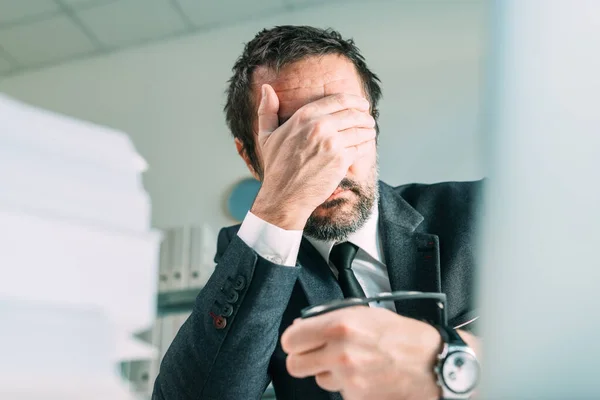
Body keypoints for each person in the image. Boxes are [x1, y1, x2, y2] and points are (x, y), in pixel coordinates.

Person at [153, 26, 482, 400]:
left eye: (343, 122)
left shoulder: (483, 212)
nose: (329, 160)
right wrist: (279, 205)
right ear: (249, 157)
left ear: (373, 125)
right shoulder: (248, 255)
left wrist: (456, 362)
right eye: (294, 139)